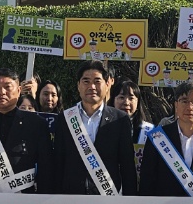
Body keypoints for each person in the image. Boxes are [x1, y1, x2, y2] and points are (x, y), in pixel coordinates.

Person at [50, 61, 139, 196]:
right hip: (70, 197)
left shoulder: (119, 119)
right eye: (86, 81)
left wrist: (130, 200)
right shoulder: (65, 118)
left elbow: (127, 166)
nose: (91, 86)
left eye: (97, 81)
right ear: (78, 85)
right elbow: (58, 162)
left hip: (107, 196)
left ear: (107, 84)